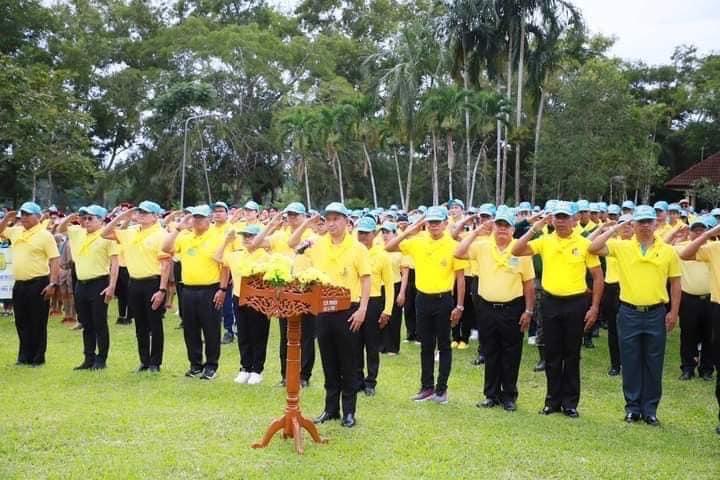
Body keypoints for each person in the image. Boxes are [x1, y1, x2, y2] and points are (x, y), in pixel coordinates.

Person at [589, 205, 681, 426]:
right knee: (630, 361)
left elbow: (676, 283)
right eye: (640, 222)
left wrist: (674, 312)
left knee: (653, 361)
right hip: (629, 312)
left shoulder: (668, 250)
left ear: (655, 224)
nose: (645, 226)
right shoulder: (622, 246)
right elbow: (593, 247)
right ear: (634, 225)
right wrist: (616, 227)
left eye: (649, 221)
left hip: (655, 313)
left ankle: (650, 409)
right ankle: (632, 408)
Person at [512, 201, 603, 418]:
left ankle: (570, 403)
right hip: (550, 302)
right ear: (552, 219)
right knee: (552, 353)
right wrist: (536, 226)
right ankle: (552, 401)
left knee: (572, 354)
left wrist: (595, 307)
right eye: (558, 217)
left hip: (575, 303)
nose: (561, 221)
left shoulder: (584, 244)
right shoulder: (544, 241)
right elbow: (516, 250)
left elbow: (598, 277)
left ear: (573, 220)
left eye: (565, 217)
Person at [289, 203, 370, 428]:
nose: (332, 223)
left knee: (349, 361)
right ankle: (331, 408)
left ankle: (349, 411)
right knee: (328, 361)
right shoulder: (317, 244)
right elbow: (293, 245)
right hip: (324, 310)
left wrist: (363, 309)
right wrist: (307, 225)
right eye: (328, 219)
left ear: (346, 221)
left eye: (336, 219)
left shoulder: (357, 248)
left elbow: (365, 279)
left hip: (348, 310)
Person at [455, 206, 535, 412]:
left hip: (512, 308)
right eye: (498, 225)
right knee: (490, 352)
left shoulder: (521, 249)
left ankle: (508, 396)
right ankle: (490, 395)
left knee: (511, 353)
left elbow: (528, 284)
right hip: (487, 307)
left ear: (512, 230)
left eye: (506, 226)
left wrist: (528, 310)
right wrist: (476, 231)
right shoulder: (482, 246)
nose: (501, 229)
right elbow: (459, 252)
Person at [386, 206, 467, 405]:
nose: (433, 226)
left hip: (443, 299)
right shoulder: (418, 242)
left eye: (437, 222)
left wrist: (460, 305)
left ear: (445, 223)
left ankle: (441, 389)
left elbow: (460, 278)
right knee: (426, 345)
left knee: (444, 344)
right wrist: (413, 226)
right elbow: (390, 247)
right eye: (430, 222)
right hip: (422, 299)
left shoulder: (453, 244)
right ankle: (427, 387)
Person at [251, 202, 317, 387]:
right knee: (285, 334)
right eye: (290, 215)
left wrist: (305, 225)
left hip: (305, 287)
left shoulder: (312, 236)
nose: (292, 218)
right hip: (284, 289)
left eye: (296, 215)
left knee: (306, 334)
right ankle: (286, 374)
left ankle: (303, 375)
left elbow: (293, 244)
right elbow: (255, 244)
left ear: (304, 216)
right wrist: (271, 224)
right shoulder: (279, 234)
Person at [102, 201, 170, 373]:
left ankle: (155, 362)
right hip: (134, 282)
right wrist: (123, 215)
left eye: (145, 213)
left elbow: (166, 265)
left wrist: (162, 289)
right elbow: (104, 233)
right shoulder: (130, 232)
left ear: (155, 216)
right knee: (140, 324)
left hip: (153, 281)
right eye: (139, 212)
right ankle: (144, 361)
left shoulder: (161, 234)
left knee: (155, 324)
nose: (140, 215)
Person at [162, 206, 228, 380]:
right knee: (190, 329)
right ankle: (195, 364)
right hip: (188, 288)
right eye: (195, 218)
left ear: (209, 219)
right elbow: (166, 247)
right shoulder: (185, 237)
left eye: (201, 218)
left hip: (210, 288)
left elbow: (224, 267)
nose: (197, 221)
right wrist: (178, 228)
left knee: (211, 328)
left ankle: (211, 365)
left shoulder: (217, 237)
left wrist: (222, 289)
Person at [59, 206, 119, 370]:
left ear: (101, 220)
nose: (86, 222)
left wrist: (112, 286)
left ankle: (101, 359)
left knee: (99, 322)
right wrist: (72, 216)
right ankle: (88, 357)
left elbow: (115, 263)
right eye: (84, 218)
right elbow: (60, 228)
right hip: (81, 283)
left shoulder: (107, 236)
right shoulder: (78, 232)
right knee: (86, 323)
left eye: (90, 218)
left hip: (99, 282)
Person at [0, 202, 60, 366]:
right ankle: (24, 356)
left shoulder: (44, 235)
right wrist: (7, 217)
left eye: (28, 214)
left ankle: (37, 357)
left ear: (37, 216)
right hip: (19, 283)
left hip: (38, 282)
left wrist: (53, 283)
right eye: (22, 215)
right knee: (21, 320)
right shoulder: (16, 231)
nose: (24, 218)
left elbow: (55, 259)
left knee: (37, 321)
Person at [679, 217, 720, 435]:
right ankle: (688, 367)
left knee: (711, 344)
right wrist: (708, 234)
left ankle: (705, 368)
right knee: (691, 337)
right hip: (712, 306)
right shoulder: (713, 248)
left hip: (711, 303)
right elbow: (685, 254)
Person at [215, 224, 270, 384]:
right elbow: (218, 257)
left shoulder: (265, 256)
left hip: (258, 300)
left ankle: (257, 369)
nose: (247, 239)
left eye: (251, 236)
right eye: (244, 236)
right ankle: (245, 367)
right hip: (239, 297)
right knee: (243, 334)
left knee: (258, 334)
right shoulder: (237, 254)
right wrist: (227, 241)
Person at [666, 217, 714, 381]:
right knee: (688, 335)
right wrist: (675, 233)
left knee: (710, 335)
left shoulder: (713, 248)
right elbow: (663, 245)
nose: (699, 233)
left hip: (710, 298)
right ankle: (687, 368)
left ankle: (706, 369)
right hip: (689, 299)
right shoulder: (681, 248)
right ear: (690, 232)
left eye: (703, 230)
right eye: (696, 230)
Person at [355, 216, 394, 396]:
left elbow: (389, 284)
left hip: (373, 302)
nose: (362, 236)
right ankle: (357, 379)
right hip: (354, 301)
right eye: (360, 232)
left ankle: (370, 381)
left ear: (374, 234)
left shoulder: (382, 255)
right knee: (354, 344)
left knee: (371, 344)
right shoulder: (353, 252)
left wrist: (387, 310)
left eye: (366, 233)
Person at [380, 221, 407, 355]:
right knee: (381, 315)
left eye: (388, 232)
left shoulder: (400, 251)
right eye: (383, 232)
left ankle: (393, 347)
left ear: (395, 234)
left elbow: (405, 273)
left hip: (395, 284)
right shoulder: (379, 248)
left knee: (394, 317)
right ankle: (383, 345)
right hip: (381, 286)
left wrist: (402, 292)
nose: (385, 235)